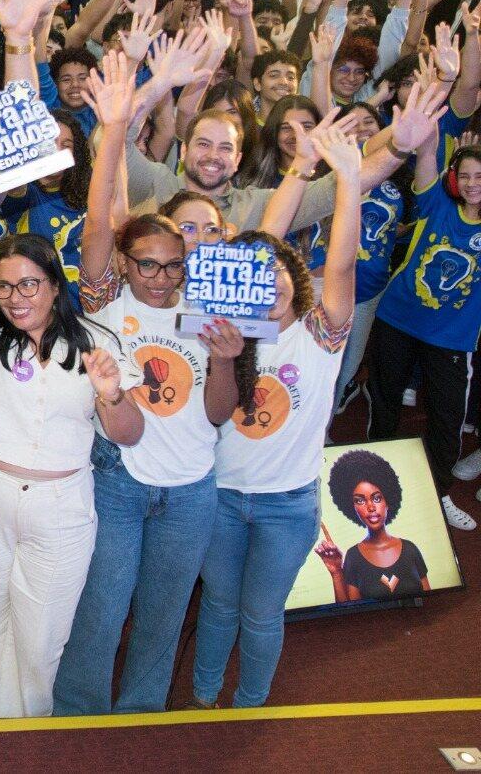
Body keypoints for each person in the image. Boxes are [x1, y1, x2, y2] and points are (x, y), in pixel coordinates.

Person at [52, 53, 266, 715]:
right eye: (147, 264)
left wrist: (228, 359)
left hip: (191, 487)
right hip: (118, 481)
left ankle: (141, 716)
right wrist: (114, 128)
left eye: (173, 266)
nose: (161, 277)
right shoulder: (105, 300)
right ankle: (79, 715)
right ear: (124, 262)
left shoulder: (214, 310)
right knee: (102, 609)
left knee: (164, 616)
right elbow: (97, 223)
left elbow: (220, 413)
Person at [0, 182, 144, 720]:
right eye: (5, 287)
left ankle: (24, 739)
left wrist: (113, 395)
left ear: (56, 286)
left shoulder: (98, 345)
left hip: (61, 509)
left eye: (30, 283)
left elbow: (129, 434)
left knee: (40, 642)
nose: (17, 297)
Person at [190, 124, 362, 709]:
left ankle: (251, 701)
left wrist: (350, 184)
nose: (268, 284)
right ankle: (204, 692)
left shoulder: (322, 335)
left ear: (296, 278)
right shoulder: (221, 334)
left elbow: (340, 267)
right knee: (215, 604)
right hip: (218, 498)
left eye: (278, 271)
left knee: (261, 614)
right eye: (252, 274)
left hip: (289, 506)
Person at [364, 83, 481, 531]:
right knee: (386, 398)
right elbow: (428, 155)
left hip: (451, 339)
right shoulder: (436, 202)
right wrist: (432, 114)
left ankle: (439, 491)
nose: (471, 184)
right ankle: (374, 474)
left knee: (447, 418)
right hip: (397, 318)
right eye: (465, 175)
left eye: (479, 177)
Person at [313, 448, 430, 603]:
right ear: (352, 507)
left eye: (376, 498)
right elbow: (351, 612)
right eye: (360, 500)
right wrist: (336, 572)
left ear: (388, 501)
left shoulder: (410, 549)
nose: (370, 507)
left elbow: (429, 600)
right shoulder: (354, 556)